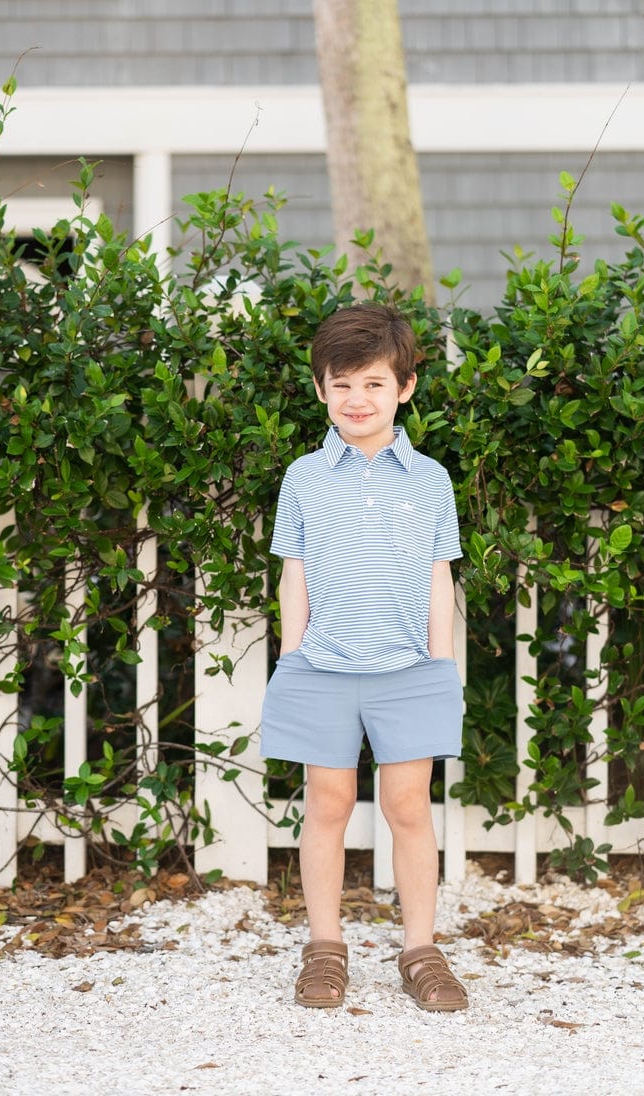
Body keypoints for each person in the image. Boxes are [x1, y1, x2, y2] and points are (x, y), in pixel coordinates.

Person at [260, 303, 468, 1012]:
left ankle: (421, 950)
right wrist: (293, 659)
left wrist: (441, 669)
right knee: (329, 803)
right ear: (321, 388)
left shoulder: (431, 480)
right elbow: (294, 575)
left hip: (410, 672)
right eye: (342, 383)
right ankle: (324, 948)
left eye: (374, 384)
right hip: (322, 668)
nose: (357, 398)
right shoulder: (303, 478)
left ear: (404, 388)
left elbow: (440, 578)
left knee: (409, 806)